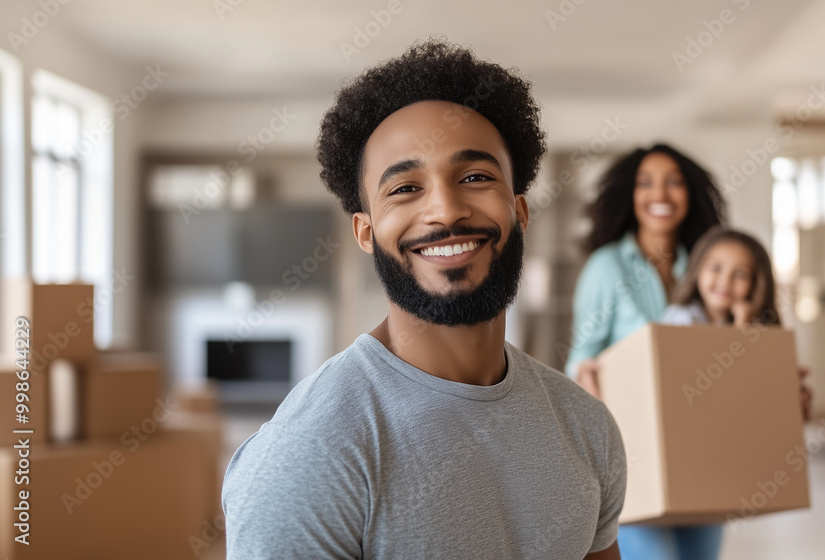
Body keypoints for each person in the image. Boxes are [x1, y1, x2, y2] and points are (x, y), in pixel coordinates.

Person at [222, 40, 626, 559]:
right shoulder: (307, 454)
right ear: (366, 232)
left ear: (519, 210)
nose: (445, 210)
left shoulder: (587, 427)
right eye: (405, 188)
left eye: (476, 177)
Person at [564, 143, 729, 560]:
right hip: (632, 452)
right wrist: (585, 381)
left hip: (702, 451)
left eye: (674, 182)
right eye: (646, 183)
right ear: (629, 195)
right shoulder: (607, 266)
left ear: (689, 193)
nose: (661, 194)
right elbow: (581, 354)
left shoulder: (709, 265)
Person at [660, 227, 782, 328]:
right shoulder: (680, 319)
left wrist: (743, 324)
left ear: (755, 284)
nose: (725, 282)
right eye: (715, 268)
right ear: (697, 270)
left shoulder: (757, 326)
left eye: (740, 274)